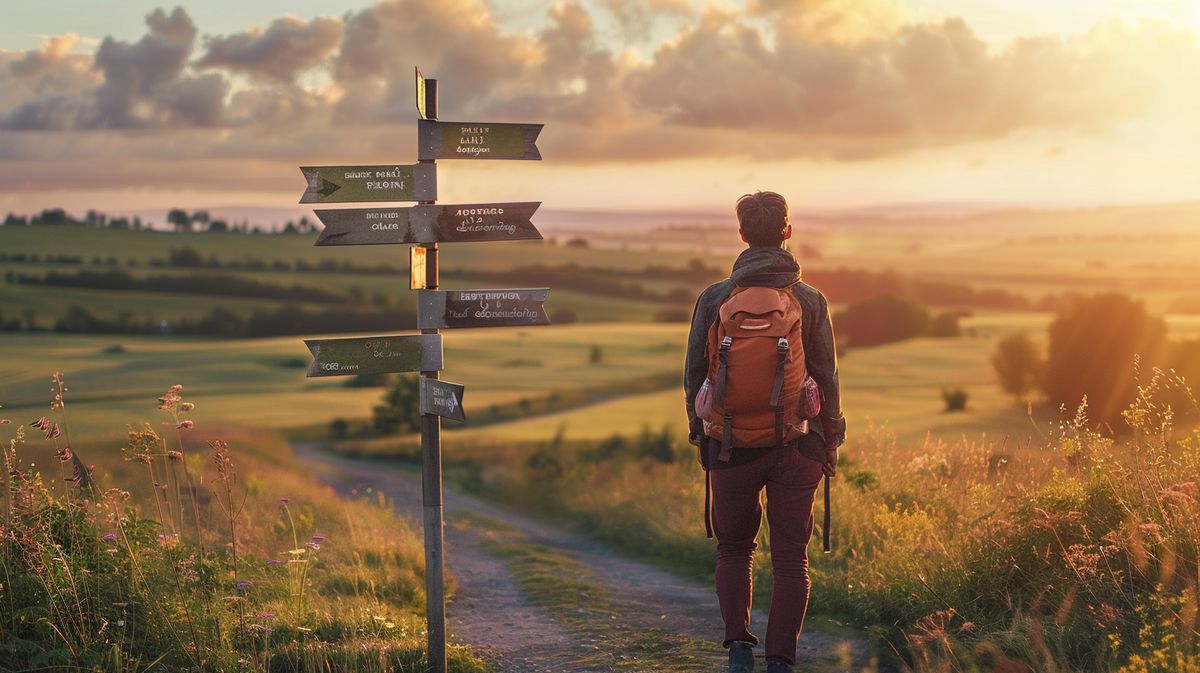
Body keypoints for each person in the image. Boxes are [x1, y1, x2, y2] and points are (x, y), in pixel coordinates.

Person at [684, 191, 846, 673]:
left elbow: (695, 373)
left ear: (741, 235)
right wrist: (830, 440)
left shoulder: (715, 298)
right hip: (799, 443)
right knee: (791, 559)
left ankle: (738, 649)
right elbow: (827, 375)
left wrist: (702, 434)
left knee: (734, 548)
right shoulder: (810, 299)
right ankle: (781, 661)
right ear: (787, 233)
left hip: (730, 443)